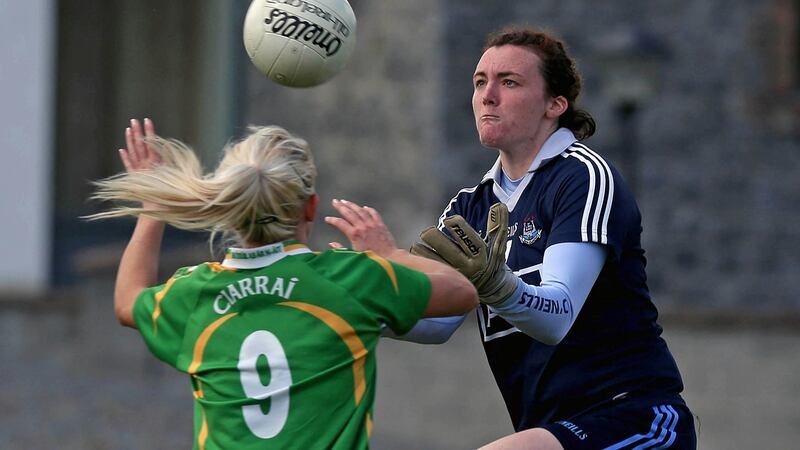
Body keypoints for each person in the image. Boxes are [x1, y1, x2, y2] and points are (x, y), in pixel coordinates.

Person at [87, 119, 478, 449]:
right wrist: (389, 255)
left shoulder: (193, 294)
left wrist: (153, 208)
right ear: (311, 206)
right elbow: (463, 293)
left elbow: (127, 300)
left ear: (232, 212)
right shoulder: (353, 277)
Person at [403, 27, 697, 449]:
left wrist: (497, 285)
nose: (488, 95)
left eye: (509, 82)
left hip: (634, 416)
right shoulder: (468, 208)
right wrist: (360, 293)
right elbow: (436, 323)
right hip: (550, 430)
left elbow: (557, 315)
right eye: (480, 82)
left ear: (555, 104)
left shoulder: (582, 176)